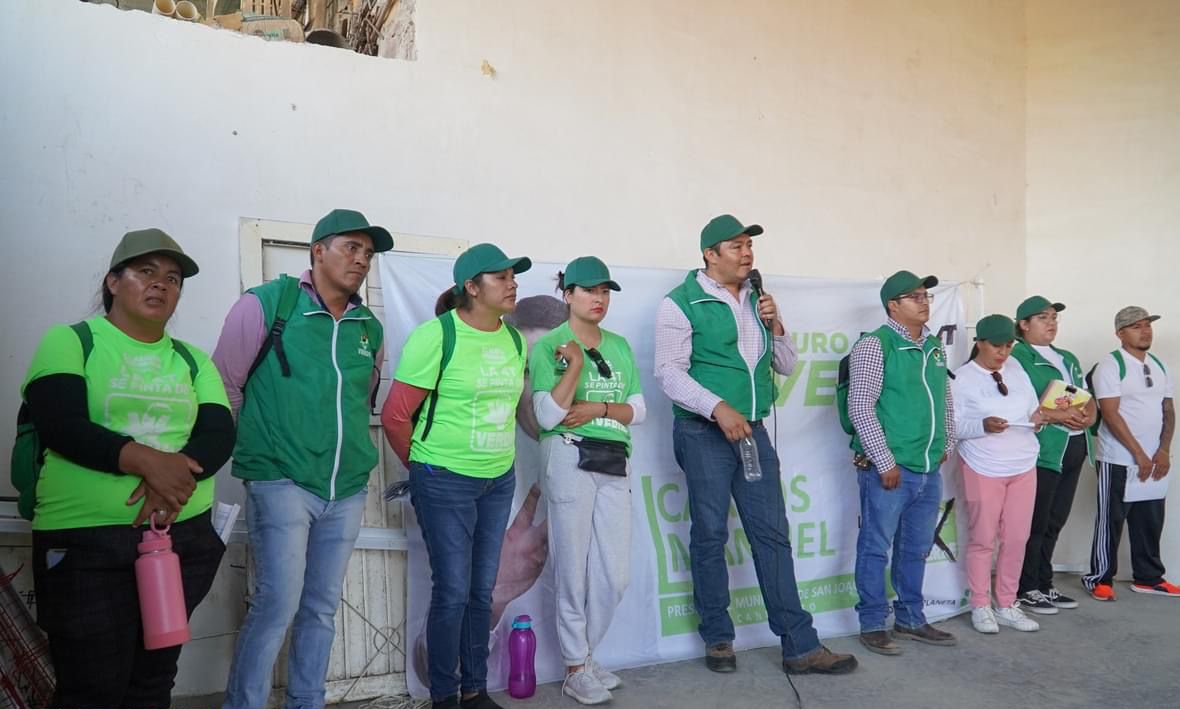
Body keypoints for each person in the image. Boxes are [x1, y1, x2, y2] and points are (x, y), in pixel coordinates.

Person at [22, 229, 233, 708]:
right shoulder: (72, 341)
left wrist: (175, 480)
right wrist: (147, 461)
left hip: (181, 540)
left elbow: (218, 434)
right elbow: (60, 422)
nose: (161, 284)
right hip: (87, 543)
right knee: (90, 689)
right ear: (114, 282)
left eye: (173, 278)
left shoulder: (193, 360)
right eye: (146, 272)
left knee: (153, 682)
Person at [654, 214, 856, 677]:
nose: (747, 253)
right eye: (736, 246)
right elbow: (668, 371)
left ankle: (799, 645)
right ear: (710, 254)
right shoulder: (680, 304)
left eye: (749, 246)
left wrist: (776, 323)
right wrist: (717, 408)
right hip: (703, 432)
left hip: (752, 432)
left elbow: (785, 365)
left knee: (772, 533)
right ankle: (718, 637)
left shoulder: (758, 301)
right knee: (710, 534)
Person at [216, 208, 392, 709]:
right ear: (317, 251)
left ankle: (306, 701)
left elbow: (362, 401)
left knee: (320, 607)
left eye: (368, 253)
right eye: (351, 248)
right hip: (281, 481)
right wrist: (248, 455)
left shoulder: (367, 327)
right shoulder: (266, 305)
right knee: (277, 604)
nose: (361, 260)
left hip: (346, 489)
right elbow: (224, 389)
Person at [381, 243, 532, 709]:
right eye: (501, 277)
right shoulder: (437, 336)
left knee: (481, 591)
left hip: (496, 480)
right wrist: (425, 473)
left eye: (514, 276)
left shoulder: (514, 339)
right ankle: (444, 694)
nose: (512, 284)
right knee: (451, 590)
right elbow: (395, 415)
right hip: (444, 479)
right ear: (472, 287)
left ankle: (475, 690)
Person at [529, 257, 646, 704]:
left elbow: (641, 411)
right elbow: (547, 416)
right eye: (589, 290)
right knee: (572, 567)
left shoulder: (619, 345)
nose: (599, 299)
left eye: (605, 291)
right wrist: (574, 367)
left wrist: (598, 409)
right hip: (568, 454)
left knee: (614, 574)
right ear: (568, 294)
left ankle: (587, 654)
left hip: (614, 458)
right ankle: (575, 665)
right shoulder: (551, 346)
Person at [848, 270, 957, 655]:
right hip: (891, 470)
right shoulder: (876, 346)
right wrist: (883, 460)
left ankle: (911, 617)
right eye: (914, 296)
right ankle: (873, 622)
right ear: (893, 305)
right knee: (876, 546)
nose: (924, 301)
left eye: (926, 295)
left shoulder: (934, 347)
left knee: (916, 548)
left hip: (928, 468)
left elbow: (944, 397)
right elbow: (860, 406)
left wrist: (948, 440)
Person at [952, 315, 1051, 634]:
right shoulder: (961, 378)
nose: (1003, 352)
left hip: (1023, 463)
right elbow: (951, 427)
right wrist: (982, 425)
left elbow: (1032, 412)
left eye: (1009, 345)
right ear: (979, 342)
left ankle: (1006, 603)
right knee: (982, 538)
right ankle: (980, 604)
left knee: (1017, 538)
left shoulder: (1018, 370)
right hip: (983, 465)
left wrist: (1041, 419)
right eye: (997, 345)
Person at [1082, 306, 1178, 600]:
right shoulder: (1111, 365)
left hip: (1154, 460)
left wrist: (1163, 451)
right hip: (1119, 459)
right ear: (1120, 333)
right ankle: (1100, 577)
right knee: (1111, 519)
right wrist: (1138, 454)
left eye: (1148, 325)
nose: (1145, 330)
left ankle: (1149, 577)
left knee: (1150, 519)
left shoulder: (1160, 365)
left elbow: (1168, 410)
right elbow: (1110, 414)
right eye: (1137, 326)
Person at [1010, 296, 1096, 614]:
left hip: (1074, 446)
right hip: (1043, 449)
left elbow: (1086, 397)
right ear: (1023, 324)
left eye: (1054, 318)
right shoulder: (1016, 355)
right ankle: (1025, 586)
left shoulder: (1067, 357)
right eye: (1043, 317)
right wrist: (1058, 417)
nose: (1051, 323)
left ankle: (1044, 584)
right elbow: (1018, 405)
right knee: (1035, 521)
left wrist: (1088, 417)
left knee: (1055, 520)